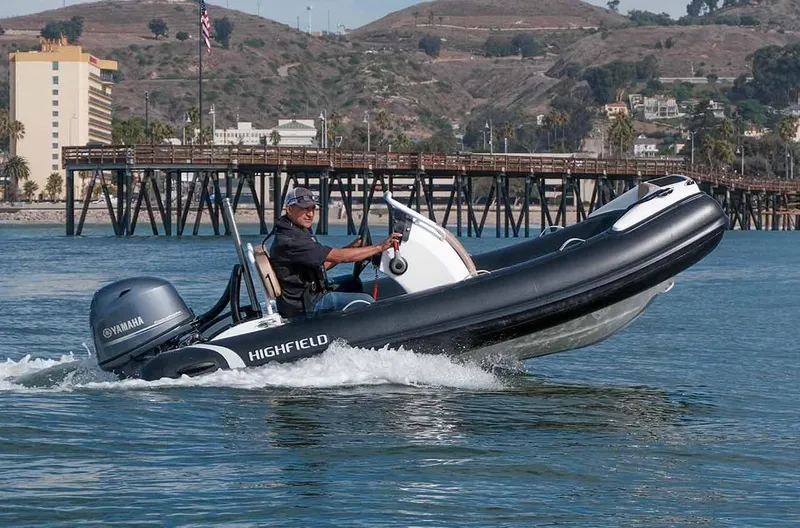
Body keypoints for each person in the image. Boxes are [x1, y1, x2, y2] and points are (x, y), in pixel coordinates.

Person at [268, 187, 401, 318]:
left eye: (312, 209)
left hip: (306, 294)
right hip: (305, 304)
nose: (310, 214)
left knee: (352, 282)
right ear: (289, 209)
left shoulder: (296, 230)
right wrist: (379, 247)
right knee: (366, 301)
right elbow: (338, 257)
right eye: (304, 209)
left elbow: (322, 263)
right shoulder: (292, 240)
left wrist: (351, 247)